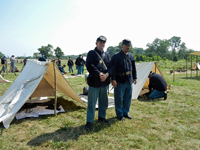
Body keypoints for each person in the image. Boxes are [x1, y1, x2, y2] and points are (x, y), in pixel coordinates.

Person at [85, 35, 111, 130]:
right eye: (100, 42)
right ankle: (89, 121)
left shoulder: (107, 55)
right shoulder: (91, 53)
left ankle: (102, 117)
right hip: (94, 82)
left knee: (104, 101)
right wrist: (100, 74)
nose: (102, 44)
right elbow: (89, 65)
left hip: (104, 82)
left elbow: (110, 67)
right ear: (96, 43)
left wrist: (107, 75)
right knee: (92, 103)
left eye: (103, 43)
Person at [111, 39, 137, 121]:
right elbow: (112, 69)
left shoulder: (131, 56)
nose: (127, 47)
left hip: (129, 80)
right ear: (122, 46)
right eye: (126, 45)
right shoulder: (116, 56)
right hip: (119, 80)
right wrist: (113, 79)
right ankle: (119, 114)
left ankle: (126, 113)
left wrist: (135, 77)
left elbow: (133, 67)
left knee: (128, 98)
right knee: (119, 99)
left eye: (129, 46)